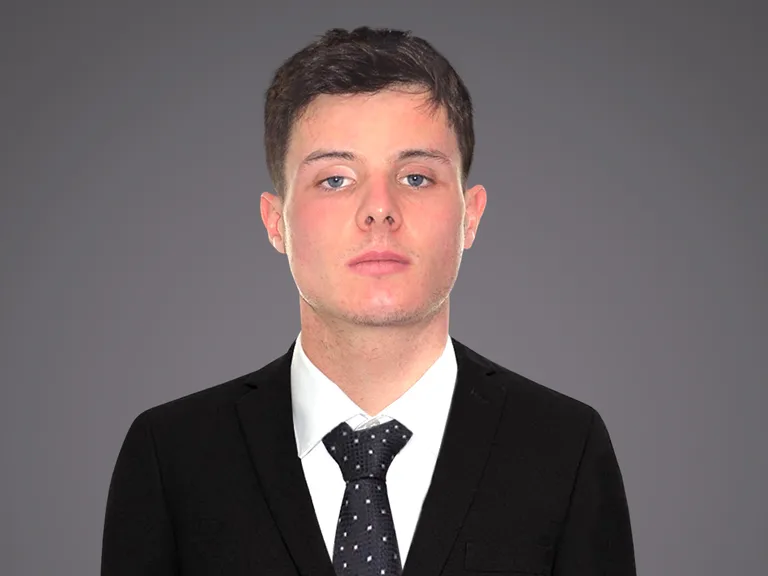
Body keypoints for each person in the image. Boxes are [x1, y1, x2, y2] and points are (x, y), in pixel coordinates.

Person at [101, 26, 636, 576]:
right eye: (335, 179)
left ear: (470, 214)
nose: (379, 209)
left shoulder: (563, 448)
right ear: (274, 221)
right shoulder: (172, 456)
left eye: (415, 176)